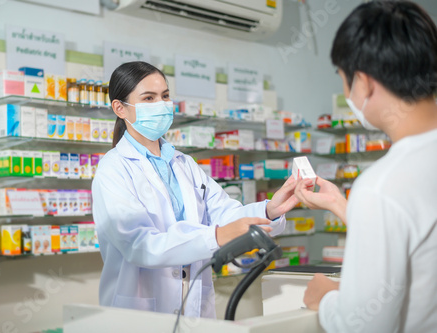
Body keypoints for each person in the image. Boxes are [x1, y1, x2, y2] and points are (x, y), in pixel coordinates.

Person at [92, 61, 298, 318]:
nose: (162, 104)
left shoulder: (183, 163)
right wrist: (217, 236)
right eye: (149, 98)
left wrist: (269, 209)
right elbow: (139, 245)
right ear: (120, 108)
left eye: (165, 96)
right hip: (140, 311)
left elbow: (223, 213)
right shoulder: (113, 169)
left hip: (193, 307)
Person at [294, 2, 437, 332]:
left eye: (343, 80)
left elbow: (364, 327)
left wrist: (327, 297)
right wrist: (340, 205)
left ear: (364, 83)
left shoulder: (382, 185)